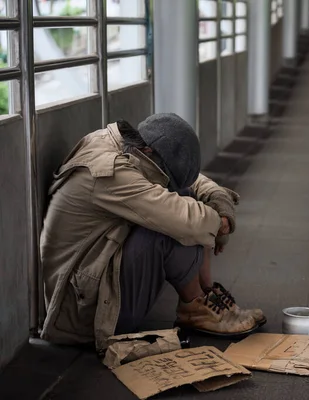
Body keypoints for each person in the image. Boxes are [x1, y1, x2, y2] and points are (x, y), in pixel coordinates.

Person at [40, 113, 265, 351]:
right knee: (172, 222)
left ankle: (207, 298)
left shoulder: (125, 145)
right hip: (84, 316)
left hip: (92, 282)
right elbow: (185, 219)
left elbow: (192, 182)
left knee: (185, 199)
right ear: (147, 153)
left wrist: (219, 202)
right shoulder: (111, 172)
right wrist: (220, 225)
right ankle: (196, 306)